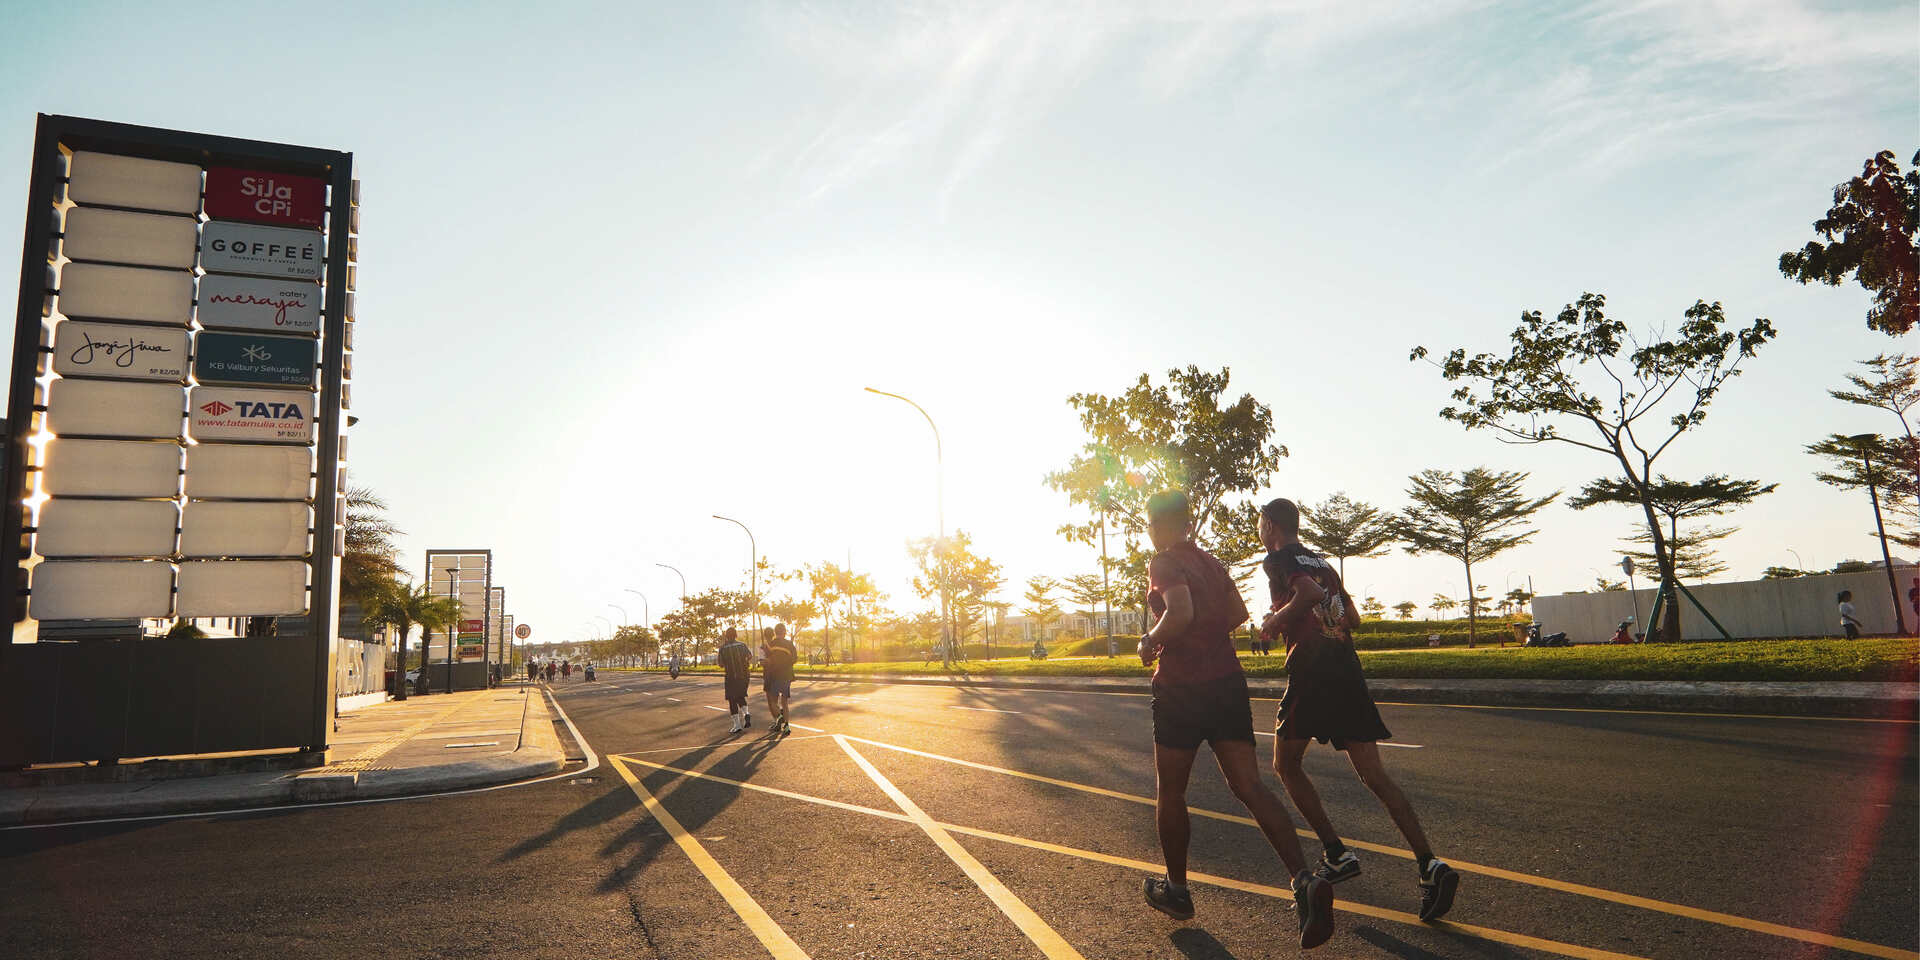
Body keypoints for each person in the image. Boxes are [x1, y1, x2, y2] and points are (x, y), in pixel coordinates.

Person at [1137, 491, 1333, 949]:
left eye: (1150, 524)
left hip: (1182, 689)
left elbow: (1180, 612)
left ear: (1158, 525)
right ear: (1188, 523)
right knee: (1250, 786)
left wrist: (1151, 640)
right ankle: (1303, 880)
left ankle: (1178, 891)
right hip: (1226, 683)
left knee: (1171, 790)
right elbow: (1237, 614)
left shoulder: (1163, 563)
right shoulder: (1211, 563)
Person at [1258, 497, 1458, 924]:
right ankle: (1429, 865)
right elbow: (1352, 616)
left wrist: (1277, 621)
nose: (1260, 531)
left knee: (1285, 765)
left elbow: (1306, 594)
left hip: (1312, 674)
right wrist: (1312, 618)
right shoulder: (1323, 562)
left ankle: (1336, 852)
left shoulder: (1277, 558)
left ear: (1272, 525)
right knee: (1374, 774)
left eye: (1261, 523)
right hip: (1347, 672)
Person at [763, 622, 799, 733]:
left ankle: (779, 717)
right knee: (785, 702)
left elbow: (767, 661)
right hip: (786, 675)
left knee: (773, 701)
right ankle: (787, 726)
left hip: (774, 675)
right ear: (784, 632)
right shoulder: (790, 644)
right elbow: (794, 659)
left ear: (775, 632)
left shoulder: (770, 645)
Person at [718, 627, 752, 733]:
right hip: (744, 675)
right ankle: (746, 713)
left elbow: (720, 664)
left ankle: (737, 725)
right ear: (736, 635)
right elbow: (749, 656)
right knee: (740, 696)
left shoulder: (723, 648)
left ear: (726, 636)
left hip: (731, 677)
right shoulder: (742, 645)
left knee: (732, 699)